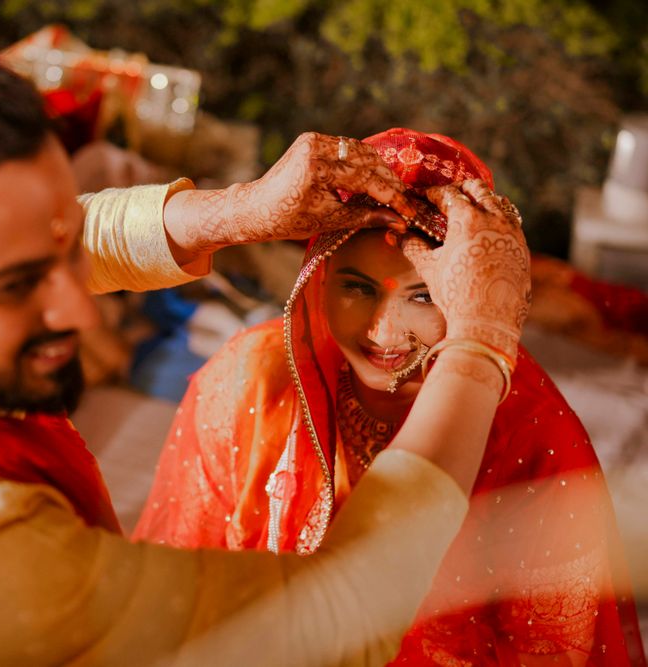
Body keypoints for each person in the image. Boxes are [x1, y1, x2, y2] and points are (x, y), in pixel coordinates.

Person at [0, 37, 529, 665]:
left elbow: (35, 235)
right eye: (14, 285)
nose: (79, 308)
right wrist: (481, 343)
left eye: (58, 248)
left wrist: (237, 211)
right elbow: (338, 620)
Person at [135, 128, 647, 665]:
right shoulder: (251, 380)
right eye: (356, 287)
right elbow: (178, 594)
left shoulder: (536, 437)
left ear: (471, 288)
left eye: (423, 295)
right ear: (318, 272)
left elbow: (549, 650)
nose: (382, 331)